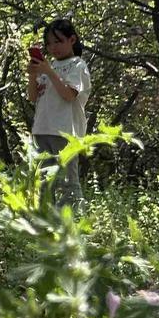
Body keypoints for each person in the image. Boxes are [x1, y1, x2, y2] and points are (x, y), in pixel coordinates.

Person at [28, 17, 92, 207]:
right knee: (45, 182)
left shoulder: (78, 66)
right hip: (42, 129)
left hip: (65, 131)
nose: (53, 47)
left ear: (72, 40)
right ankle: (48, 225)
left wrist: (49, 71)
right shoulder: (49, 67)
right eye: (49, 44)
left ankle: (75, 223)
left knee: (67, 182)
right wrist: (33, 74)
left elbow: (69, 95)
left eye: (58, 41)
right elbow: (32, 96)